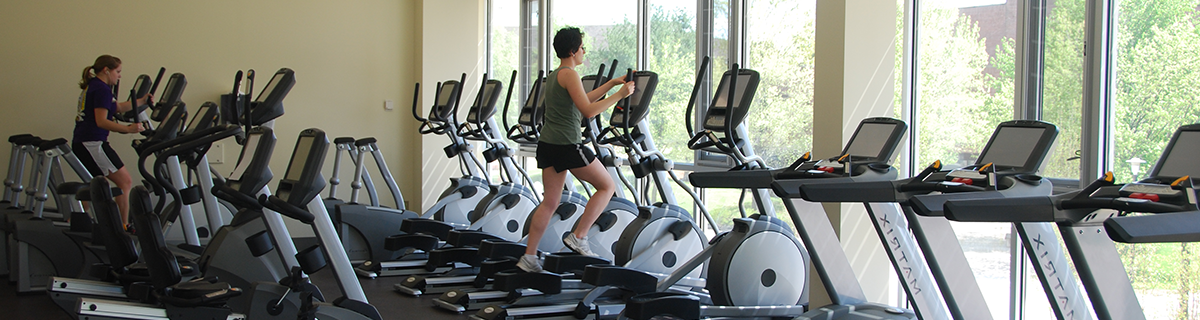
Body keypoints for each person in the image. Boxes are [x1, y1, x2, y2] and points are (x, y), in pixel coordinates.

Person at [518, 27, 636, 273]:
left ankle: (529, 257)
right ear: (572, 51)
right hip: (567, 145)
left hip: (548, 145)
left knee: (549, 203)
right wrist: (620, 95)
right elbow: (589, 111)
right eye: (582, 47)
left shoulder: (556, 74)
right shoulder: (570, 75)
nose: (584, 51)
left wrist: (611, 84)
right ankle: (579, 236)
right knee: (607, 186)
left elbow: (584, 98)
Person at [74, 54, 150, 230]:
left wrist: (142, 100)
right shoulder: (101, 89)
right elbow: (101, 121)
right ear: (106, 71)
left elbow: (118, 107)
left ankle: (81, 222)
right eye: (118, 71)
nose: (119, 76)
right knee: (125, 182)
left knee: (92, 181)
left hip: (86, 141)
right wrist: (128, 129)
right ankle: (122, 226)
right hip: (92, 143)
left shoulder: (95, 86)